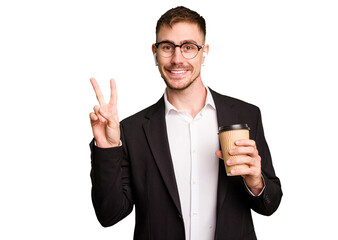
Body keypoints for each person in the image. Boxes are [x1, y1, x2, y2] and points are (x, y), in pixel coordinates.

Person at [89, 6, 282, 240]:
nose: (177, 59)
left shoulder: (245, 116)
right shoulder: (131, 131)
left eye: (188, 47)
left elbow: (270, 205)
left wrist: (255, 182)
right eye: (167, 47)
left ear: (204, 52)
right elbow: (109, 215)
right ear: (155, 52)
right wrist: (107, 147)